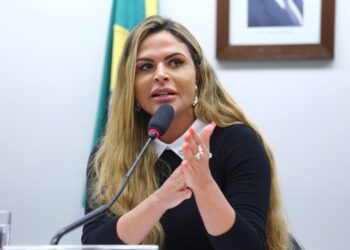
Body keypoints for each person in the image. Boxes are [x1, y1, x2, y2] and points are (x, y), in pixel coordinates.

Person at [82, 15, 292, 250]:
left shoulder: (238, 141)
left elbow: (248, 247)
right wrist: (161, 199)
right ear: (131, 85)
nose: (160, 75)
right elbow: (94, 245)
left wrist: (204, 185)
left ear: (198, 77)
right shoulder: (109, 154)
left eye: (175, 62)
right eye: (146, 67)